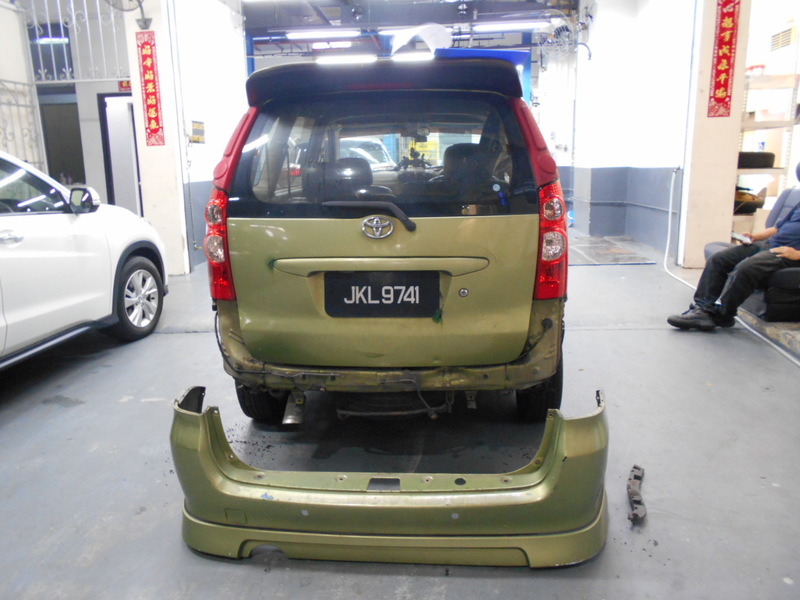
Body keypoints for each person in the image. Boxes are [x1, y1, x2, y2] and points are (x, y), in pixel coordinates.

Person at [667, 200, 800, 331]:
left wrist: (797, 254)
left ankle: (723, 314)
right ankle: (702, 309)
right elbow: (777, 228)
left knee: (747, 268)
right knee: (718, 259)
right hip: (768, 244)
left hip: (787, 253)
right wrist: (754, 236)